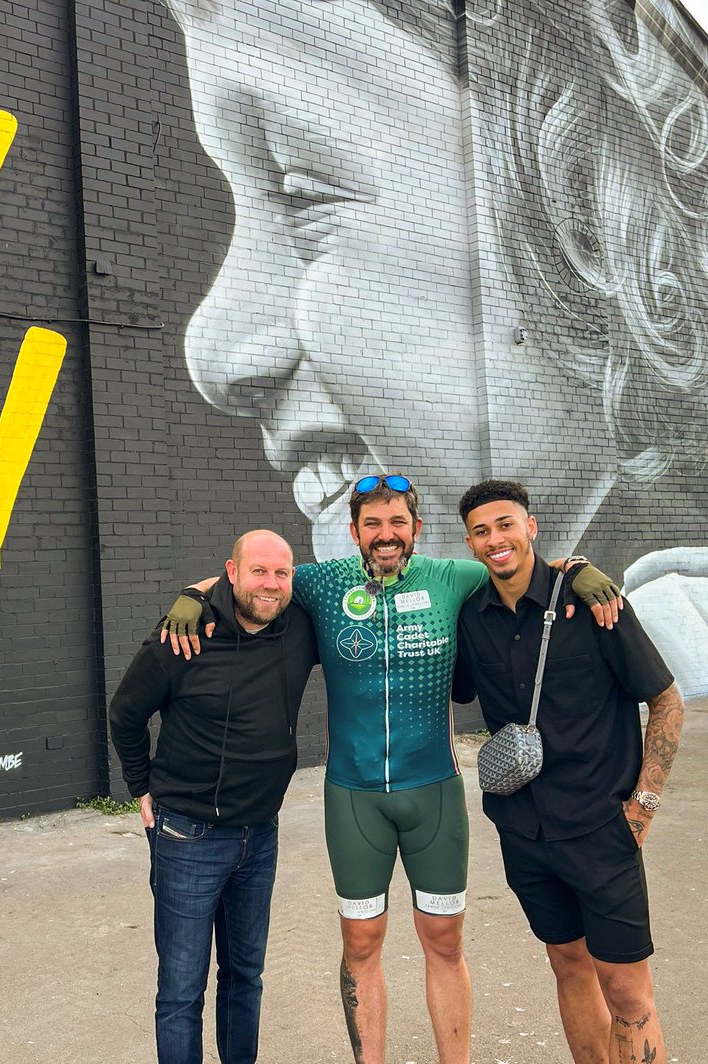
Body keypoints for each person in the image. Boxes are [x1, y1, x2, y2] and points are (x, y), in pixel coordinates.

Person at [161, 0, 708, 696]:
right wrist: (199, 596)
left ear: (588, 203)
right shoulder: (370, 596)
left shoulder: (675, 628)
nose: (215, 353)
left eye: (302, 194)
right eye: (378, 526)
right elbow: (270, 582)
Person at [161, 474, 621, 1064]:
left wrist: (577, 567)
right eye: (372, 524)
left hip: (432, 791)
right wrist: (193, 594)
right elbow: (256, 581)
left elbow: (519, 565)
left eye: (397, 523)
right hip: (353, 799)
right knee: (361, 943)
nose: (386, 535)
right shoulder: (322, 583)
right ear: (354, 532)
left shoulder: (451, 578)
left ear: (416, 529)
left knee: (445, 941)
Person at [452, 479, 684, 1063]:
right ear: (470, 544)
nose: (495, 539)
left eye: (506, 524)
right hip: (524, 831)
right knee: (568, 965)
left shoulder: (592, 602)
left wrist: (643, 806)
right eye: (481, 531)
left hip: (600, 826)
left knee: (628, 989)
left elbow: (667, 701)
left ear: (530, 525)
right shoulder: (472, 616)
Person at [109, 530, 320, 1064]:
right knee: (182, 990)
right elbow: (126, 714)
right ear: (232, 571)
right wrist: (142, 788)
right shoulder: (184, 633)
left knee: (245, 977)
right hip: (188, 837)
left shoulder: (298, 625)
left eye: (282, 573)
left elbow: (366, 578)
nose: (271, 584)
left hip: (261, 834)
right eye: (258, 572)